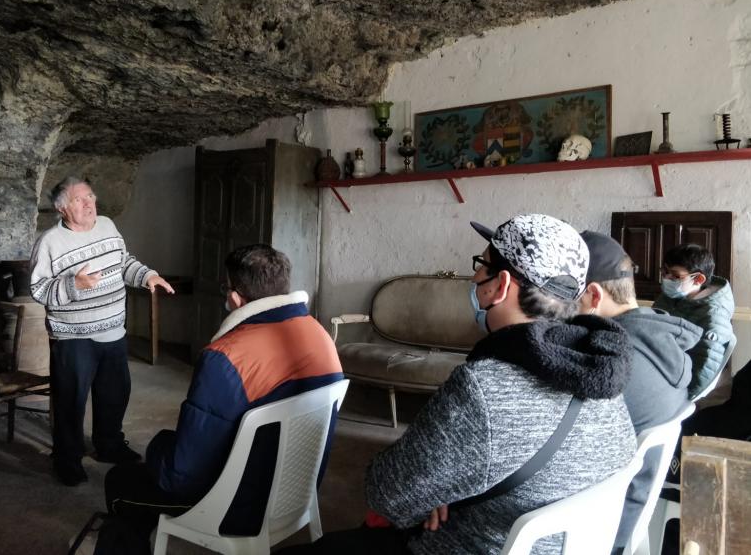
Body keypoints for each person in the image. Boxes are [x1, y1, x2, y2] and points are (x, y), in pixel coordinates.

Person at [282, 213, 637, 555]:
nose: (473, 279)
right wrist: (450, 485)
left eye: (480, 266)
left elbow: (387, 493)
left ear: (501, 286)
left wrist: (442, 489)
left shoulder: (485, 388)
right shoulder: (606, 374)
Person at [76, 244, 343, 555]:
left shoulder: (226, 356)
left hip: (240, 506)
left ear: (235, 297)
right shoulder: (317, 333)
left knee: (122, 479)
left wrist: (157, 447)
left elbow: (181, 471)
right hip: (298, 490)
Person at [30, 176, 175, 486]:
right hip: (73, 336)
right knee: (70, 401)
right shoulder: (50, 242)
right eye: (80, 200)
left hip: (112, 329)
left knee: (114, 394)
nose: (89, 204)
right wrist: (74, 284)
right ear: (62, 209)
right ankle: (67, 459)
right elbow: (39, 290)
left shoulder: (107, 226)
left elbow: (123, 262)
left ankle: (109, 445)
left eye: (91, 197)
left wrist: (147, 276)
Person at [578, 231, 697, 553]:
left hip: (594, 533)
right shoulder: (657, 338)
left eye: (562, 294)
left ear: (592, 296)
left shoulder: (612, 363)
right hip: (630, 511)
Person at [652, 243, 735, 399]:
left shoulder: (713, 317)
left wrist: (683, 400)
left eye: (675, 276)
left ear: (698, 279)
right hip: (660, 370)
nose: (666, 278)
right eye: (665, 271)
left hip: (681, 388)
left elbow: (704, 368)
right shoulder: (672, 296)